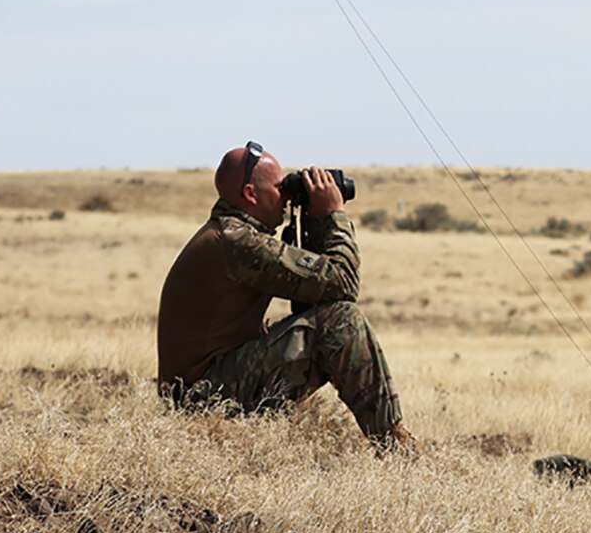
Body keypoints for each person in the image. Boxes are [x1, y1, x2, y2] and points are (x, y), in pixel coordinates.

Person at [156, 141, 413, 452]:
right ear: (251, 194)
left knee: (329, 317)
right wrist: (332, 215)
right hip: (202, 400)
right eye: (281, 187)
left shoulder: (228, 234)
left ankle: (392, 441)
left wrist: (314, 219)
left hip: (205, 389)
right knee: (341, 320)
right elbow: (342, 282)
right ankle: (397, 446)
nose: (287, 196)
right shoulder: (237, 242)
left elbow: (317, 293)